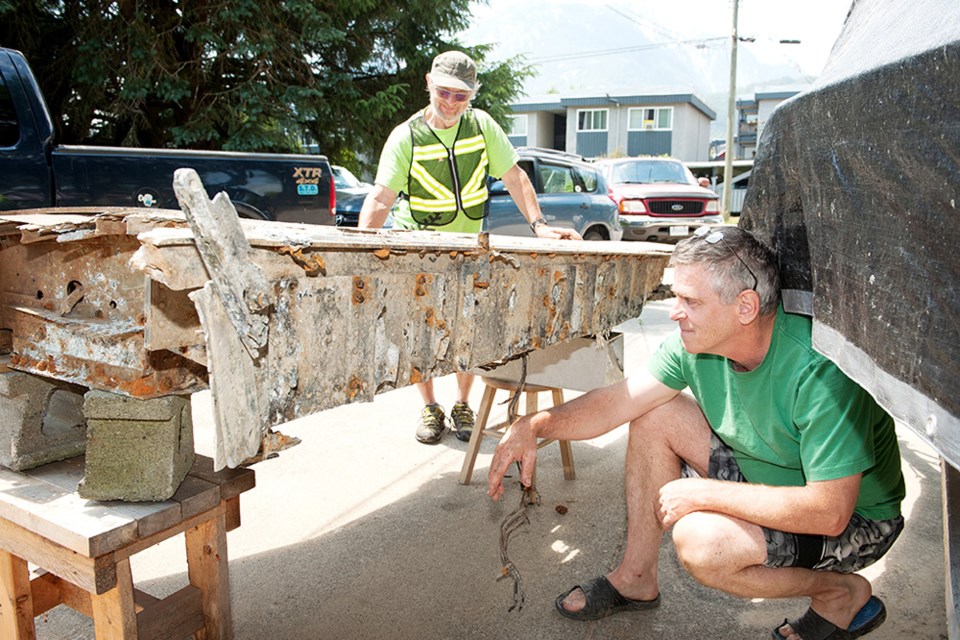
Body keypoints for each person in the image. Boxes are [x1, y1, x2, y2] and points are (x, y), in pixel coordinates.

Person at [487, 226, 905, 640]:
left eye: (690, 300)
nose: (674, 311)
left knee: (703, 544)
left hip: (854, 520)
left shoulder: (818, 369)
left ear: (745, 307)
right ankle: (635, 577)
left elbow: (828, 513)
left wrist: (704, 494)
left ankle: (838, 593)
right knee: (655, 412)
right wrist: (537, 424)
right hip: (766, 478)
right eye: (675, 297)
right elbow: (617, 401)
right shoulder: (695, 345)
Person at [359, 50, 580, 445]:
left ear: (472, 95)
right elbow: (380, 199)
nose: (450, 102)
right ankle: (429, 407)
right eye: (444, 92)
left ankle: (462, 403)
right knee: (421, 333)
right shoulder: (406, 135)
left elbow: (515, 177)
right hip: (419, 246)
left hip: (467, 246)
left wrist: (540, 226)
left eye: (461, 96)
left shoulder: (481, 127)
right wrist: (363, 250)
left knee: (466, 334)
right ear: (428, 83)